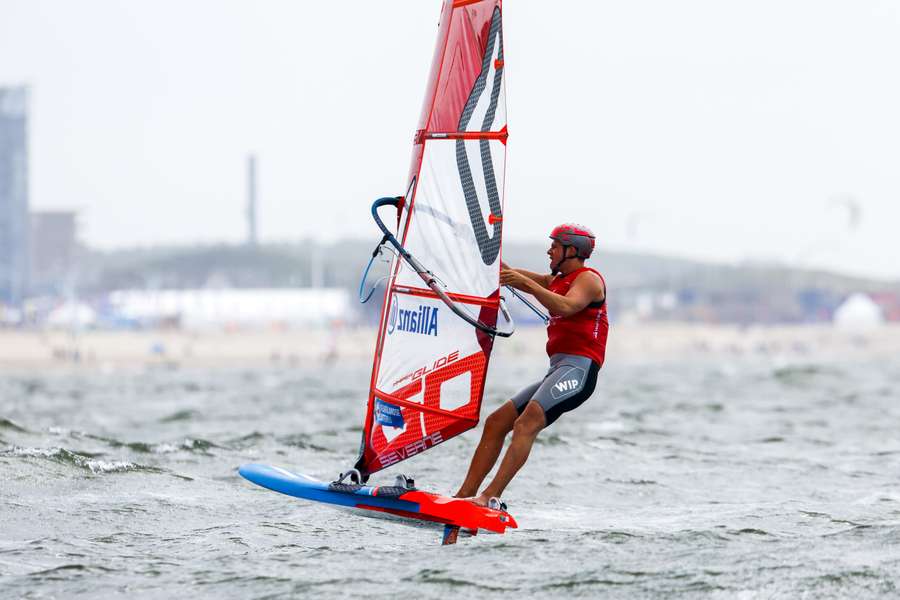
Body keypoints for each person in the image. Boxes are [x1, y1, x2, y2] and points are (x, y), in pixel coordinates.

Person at [455, 223, 608, 507]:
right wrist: (476, 251)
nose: (549, 250)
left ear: (572, 250)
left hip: (579, 371)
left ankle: (489, 497)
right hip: (558, 370)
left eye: (555, 245)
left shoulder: (588, 280)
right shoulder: (557, 279)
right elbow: (510, 276)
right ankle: (464, 496)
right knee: (497, 422)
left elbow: (565, 306)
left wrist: (526, 284)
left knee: (526, 423)